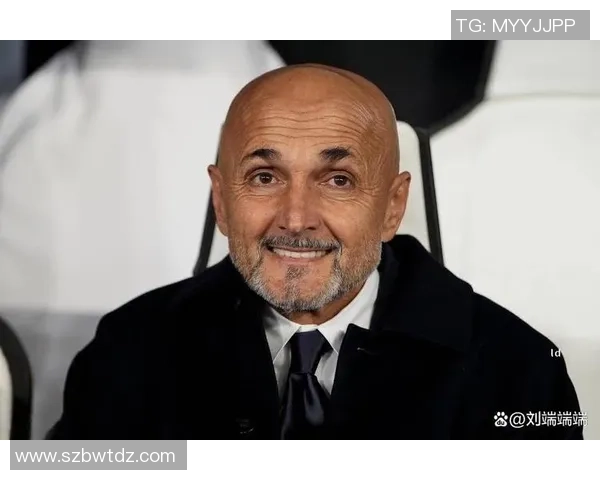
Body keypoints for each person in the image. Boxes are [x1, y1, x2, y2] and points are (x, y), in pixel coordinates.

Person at [49, 64, 582, 440]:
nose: (296, 217)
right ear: (222, 202)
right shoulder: (128, 350)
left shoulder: (520, 373)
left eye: (338, 180)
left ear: (392, 206)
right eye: (265, 176)